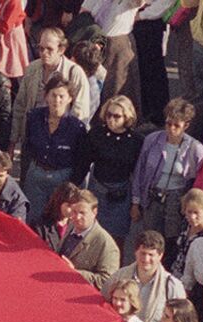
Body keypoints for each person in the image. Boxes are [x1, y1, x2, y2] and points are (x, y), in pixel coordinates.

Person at [129, 98, 203, 266]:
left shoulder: (196, 148)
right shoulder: (152, 140)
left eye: (176, 125)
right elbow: (140, 172)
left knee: (171, 240)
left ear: (186, 125)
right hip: (153, 195)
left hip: (176, 200)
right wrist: (136, 202)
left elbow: (200, 180)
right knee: (150, 237)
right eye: (168, 124)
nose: (171, 129)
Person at [75, 96, 144, 247]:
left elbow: (139, 174)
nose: (111, 119)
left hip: (120, 195)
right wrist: (74, 188)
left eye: (117, 116)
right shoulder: (97, 133)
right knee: (90, 234)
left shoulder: (136, 140)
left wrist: (136, 203)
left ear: (127, 117)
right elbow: (83, 162)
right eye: (108, 115)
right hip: (97, 191)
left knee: (116, 240)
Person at [10, 28, 90, 151]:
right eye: (41, 48)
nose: (44, 53)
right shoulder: (32, 69)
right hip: (32, 139)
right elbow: (20, 105)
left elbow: (80, 113)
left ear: (61, 50)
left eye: (49, 49)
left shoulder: (74, 73)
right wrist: (13, 141)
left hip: (59, 143)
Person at [19, 77, 85, 225]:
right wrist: (25, 175)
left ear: (69, 99)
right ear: (46, 96)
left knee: (58, 221)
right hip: (36, 174)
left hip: (62, 177)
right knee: (32, 220)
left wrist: (71, 187)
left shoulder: (77, 128)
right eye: (53, 95)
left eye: (62, 96)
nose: (57, 100)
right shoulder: (34, 117)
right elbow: (27, 147)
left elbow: (81, 161)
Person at [101, 231, 184, 322]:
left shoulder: (172, 286)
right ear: (135, 252)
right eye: (143, 253)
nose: (146, 259)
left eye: (151, 254)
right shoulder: (119, 277)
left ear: (160, 256)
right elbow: (103, 305)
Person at [58, 190, 119, 286]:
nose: (77, 217)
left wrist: (74, 273)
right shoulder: (69, 226)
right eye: (74, 212)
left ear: (94, 212)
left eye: (82, 213)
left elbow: (107, 281)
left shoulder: (106, 244)